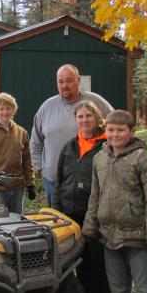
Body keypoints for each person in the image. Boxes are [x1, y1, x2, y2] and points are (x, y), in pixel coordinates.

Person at [82, 110, 147, 293]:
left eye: (120, 130)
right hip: (110, 239)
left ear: (131, 132)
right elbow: (95, 196)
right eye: (111, 130)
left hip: (137, 239)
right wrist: (89, 228)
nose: (115, 135)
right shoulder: (100, 159)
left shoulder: (141, 158)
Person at [53, 101, 111, 293]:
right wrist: (57, 211)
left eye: (89, 116)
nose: (85, 120)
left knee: (97, 271)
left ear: (97, 118)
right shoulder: (70, 147)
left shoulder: (106, 147)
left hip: (94, 219)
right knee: (70, 271)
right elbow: (59, 182)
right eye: (80, 117)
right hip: (69, 218)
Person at [31, 64, 112, 206]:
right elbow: (35, 143)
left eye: (69, 80)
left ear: (79, 80)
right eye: (60, 82)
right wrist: (41, 169)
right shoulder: (47, 107)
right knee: (59, 225)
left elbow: (116, 128)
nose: (64, 86)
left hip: (88, 183)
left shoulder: (95, 102)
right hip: (53, 181)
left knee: (87, 223)